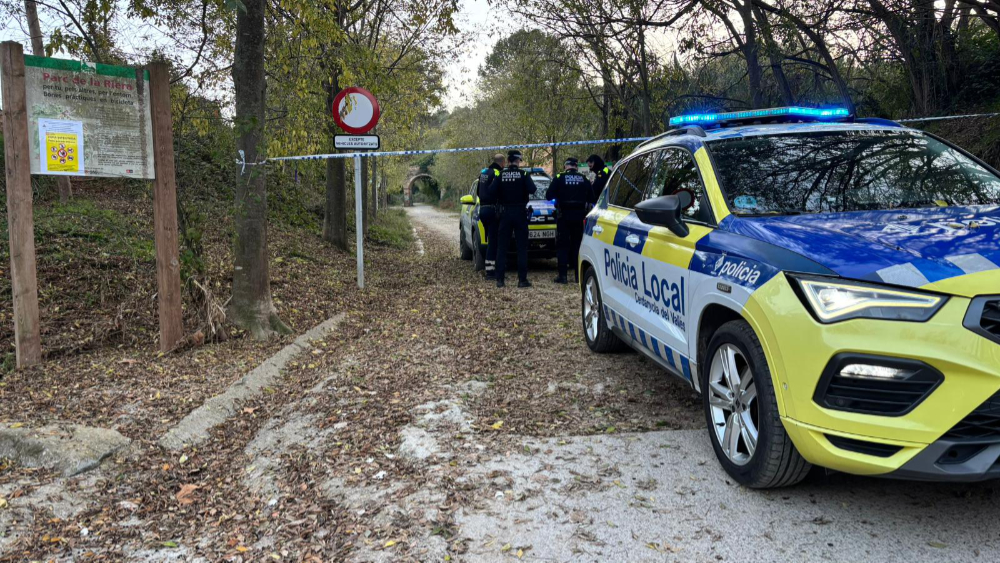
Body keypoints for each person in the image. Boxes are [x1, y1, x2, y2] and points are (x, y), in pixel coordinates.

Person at [490, 150, 536, 288]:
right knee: (521, 247)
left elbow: (491, 191)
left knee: (502, 247)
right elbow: (533, 189)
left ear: (508, 161)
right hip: (521, 213)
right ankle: (522, 280)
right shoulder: (524, 174)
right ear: (518, 161)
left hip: (505, 213)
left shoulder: (500, 174)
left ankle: (500, 280)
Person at [547, 157, 594, 284]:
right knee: (577, 245)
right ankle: (578, 276)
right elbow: (592, 197)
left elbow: (548, 195)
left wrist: (559, 196)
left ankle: (563, 276)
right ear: (576, 166)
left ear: (565, 166)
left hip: (564, 215)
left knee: (562, 246)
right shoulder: (584, 179)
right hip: (579, 216)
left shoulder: (559, 177)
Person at [477, 154, 505, 279]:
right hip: (493, 209)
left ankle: (491, 269)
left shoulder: (483, 172)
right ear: (502, 163)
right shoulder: (497, 173)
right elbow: (500, 190)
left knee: (490, 240)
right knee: (494, 242)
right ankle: (491, 272)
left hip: (482, 209)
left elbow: (478, 191)